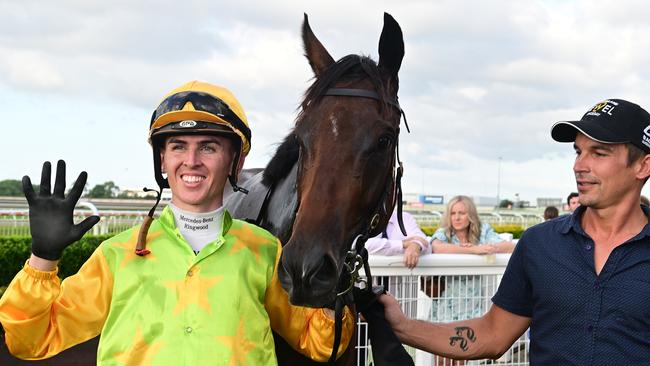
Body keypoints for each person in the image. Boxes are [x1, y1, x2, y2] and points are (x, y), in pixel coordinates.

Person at [0, 81, 354, 365]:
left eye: (209, 147)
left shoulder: (264, 252)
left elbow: (321, 343)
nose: (192, 161)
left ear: (236, 159)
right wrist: (42, 258)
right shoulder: (115, 256)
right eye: (178, 147)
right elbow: (31, 340)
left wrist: (330, 283)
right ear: (163, 161)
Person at [379, 98, 650, 365]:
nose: (579, 166)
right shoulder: (539, 244)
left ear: (643, 166)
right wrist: (402, 326)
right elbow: (493, 334)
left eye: (599, 153)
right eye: (578, 152)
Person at [365, 210, 430, 269]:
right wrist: (403, 244)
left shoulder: (405, 217)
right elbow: (365, 245)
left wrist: (415, 245)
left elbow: (425, 244)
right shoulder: (362, 218)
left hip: (401, 281)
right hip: (368, 280)